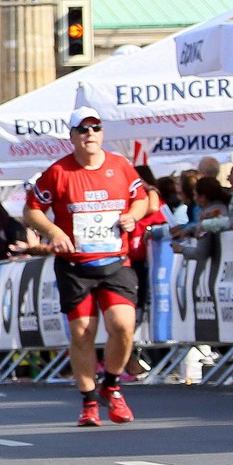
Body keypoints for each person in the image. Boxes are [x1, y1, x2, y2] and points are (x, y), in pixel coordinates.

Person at [23, 107, 148, 427]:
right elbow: (32, 210)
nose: (89, 134)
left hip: (114, 261)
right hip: (75, 265)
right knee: (83, 333)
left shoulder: (120, 166)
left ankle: (113, 385)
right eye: (82, 129)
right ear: (72, 136)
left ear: (102, 133)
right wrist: (54, 232)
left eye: (95, 128)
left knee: (122, 325)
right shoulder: (58, 172)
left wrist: (133, 215)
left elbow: (143, 198)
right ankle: (89, 401)